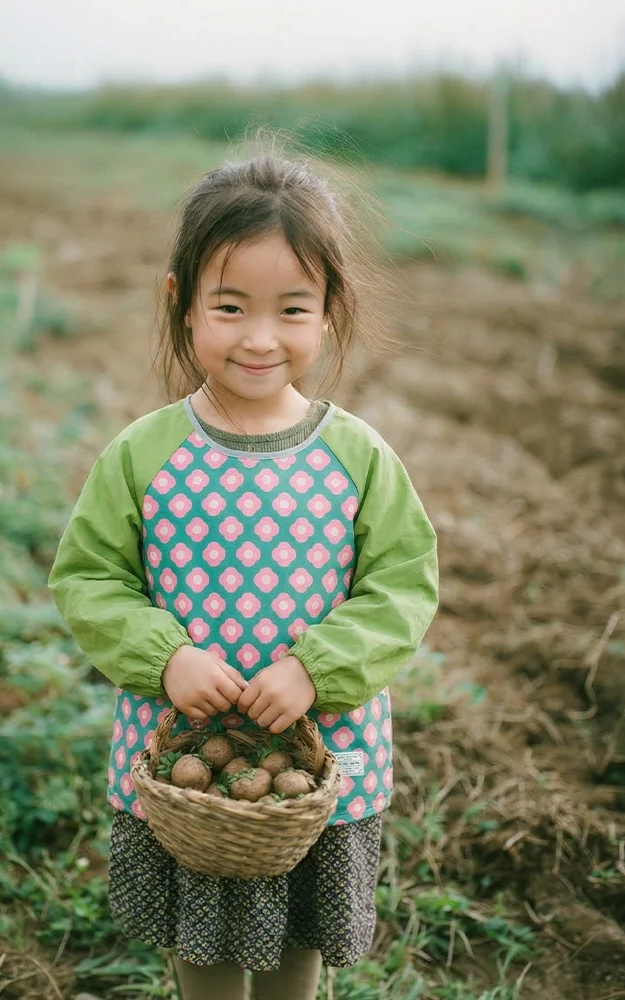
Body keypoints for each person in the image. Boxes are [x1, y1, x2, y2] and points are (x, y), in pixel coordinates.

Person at [48, 150, 438, 1000]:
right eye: (230, 307)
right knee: (206, 929)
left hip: (323, 750)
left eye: (291, 308)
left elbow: (401, 588)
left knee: (300, 932)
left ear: (329, 310)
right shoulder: (145, 453)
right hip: (185, 753)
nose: (260, 337)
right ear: (181, 302)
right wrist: (166, 658)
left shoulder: (359, 456)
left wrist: (317, 669)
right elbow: (90, 577)